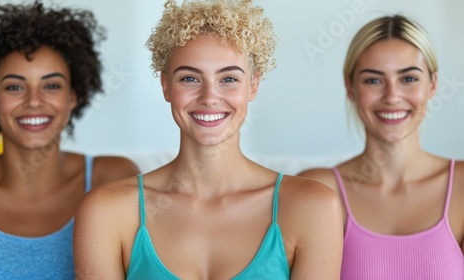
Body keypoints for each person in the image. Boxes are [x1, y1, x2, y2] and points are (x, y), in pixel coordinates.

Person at [74, 0, 343, 279]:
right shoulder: (107, 211)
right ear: (166, 85)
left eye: (228, 79)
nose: (209, 98)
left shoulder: (312, 207)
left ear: (253, 85)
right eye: (190, 79)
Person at [0, 1, 140, 279]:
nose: (34, 101)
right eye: (14, 86)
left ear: (73, 96)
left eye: (51, 85)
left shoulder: (112, 177)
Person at [298, 15, 464, 279]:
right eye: (373, 80)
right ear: (350, 86)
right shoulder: (319, 189)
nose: (392, 96)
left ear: (432, 85)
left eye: (408, 78)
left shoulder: (462, 188)